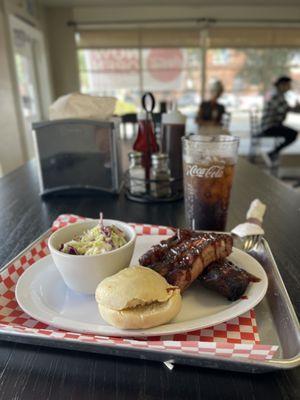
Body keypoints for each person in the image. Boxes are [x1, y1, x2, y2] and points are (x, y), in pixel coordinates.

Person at [261, 76, 300, 166]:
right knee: (293, 134)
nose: (290, 87)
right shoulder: (276, 96)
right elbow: (284, 109)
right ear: (282, 85)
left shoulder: (279, 95)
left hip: (274, 125)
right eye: (288, 85)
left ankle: (274, 153)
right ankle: (273, 153)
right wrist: (296, 108)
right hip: (270, 126)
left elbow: (287, 109)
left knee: (293, 133)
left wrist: (296, 108)